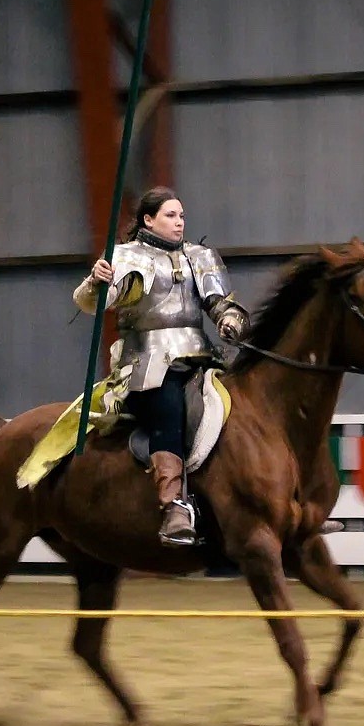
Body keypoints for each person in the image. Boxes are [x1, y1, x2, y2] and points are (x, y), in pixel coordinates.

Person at [72, 187, 249, 547]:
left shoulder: (200, 256)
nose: (179, 222)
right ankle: (174, 507)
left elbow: (220, 302)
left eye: (182, 215)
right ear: (148, 220)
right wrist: (96, 282)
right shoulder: (124, 257)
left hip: (201, 358)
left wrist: (230, 320)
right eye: (170, 215)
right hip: (147, 363)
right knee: (168, 410)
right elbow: (95, 302)